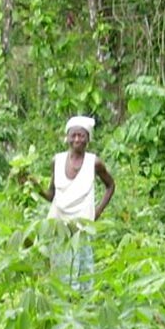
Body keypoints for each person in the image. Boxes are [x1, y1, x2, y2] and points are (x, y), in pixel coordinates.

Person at [25, 115, 116, 289]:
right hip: (59, 227)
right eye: (73, 135)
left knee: (82, 273)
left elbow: (110, 186)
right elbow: (52, 195)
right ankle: (62, 310)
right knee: (60, 274)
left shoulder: (94, 163)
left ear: (88, 139)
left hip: (82, 228)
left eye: (81, 135)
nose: (77, 139)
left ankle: (81, 311)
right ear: (67, 138)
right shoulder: (57, 161)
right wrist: (35, 187)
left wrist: (96, 213)